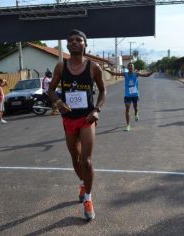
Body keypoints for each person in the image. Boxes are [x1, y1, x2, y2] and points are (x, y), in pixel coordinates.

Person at [47, 29, 106, 221]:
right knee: (76, 157)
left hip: (87, 119)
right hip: (69, 119)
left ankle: (88, 198)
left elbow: (103, 92)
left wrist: (96, 109)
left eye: (78, 40)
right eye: (70, 40)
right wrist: (57, 102)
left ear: (84, 44)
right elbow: (51, 90)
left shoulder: (93, 67)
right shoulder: (60, 67)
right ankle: (82, 183)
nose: (74, 42)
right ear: (67, 45)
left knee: (87, 161)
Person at [105, 63, 153, 131]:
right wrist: (107, 70)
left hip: (135, 94)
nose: (130, 67)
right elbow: (114, 73)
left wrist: (152, 71)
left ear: (133, 68)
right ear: (128, 68)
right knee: (127, 109)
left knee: (135, 108)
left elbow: (146, 75)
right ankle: (128, 125)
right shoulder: (125, 74)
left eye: (132, 66)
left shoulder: (136, 74)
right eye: (129, 66)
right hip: (127, 95)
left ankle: (136, 114)